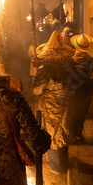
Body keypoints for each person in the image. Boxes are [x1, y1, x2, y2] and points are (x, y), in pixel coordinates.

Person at [32, 30, 75, 174]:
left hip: (50, 107)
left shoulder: (45, 69)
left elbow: (37, 90)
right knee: (62, 131)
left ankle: (57, 167)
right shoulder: (69, 66)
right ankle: (64, 162)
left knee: (51, 134)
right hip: (64, 104)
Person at [69, 33, 93, 140]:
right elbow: (91, 72)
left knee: (72, 112)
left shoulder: (70, 59)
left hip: (72, 90)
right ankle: (78, 133)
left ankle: (71, 133)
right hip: (85, 91)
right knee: (81, 112)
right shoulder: (91, 60)